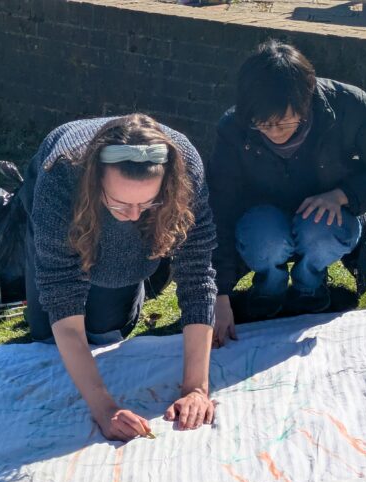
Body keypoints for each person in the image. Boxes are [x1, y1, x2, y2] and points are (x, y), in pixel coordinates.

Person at [22, 114, 219, 442]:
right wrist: (104, 408)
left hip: (124, 238)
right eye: (121, 203)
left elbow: (197, 273)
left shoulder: (185, 167)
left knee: (105, 328)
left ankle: (135, 271)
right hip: (64, 194)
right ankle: (122, 257)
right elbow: (60, 291)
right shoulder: (61, 174)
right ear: (95, 179)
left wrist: (196, 388)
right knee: (45, 336)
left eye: (148, 202)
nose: (134, 214)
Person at [207, 40, 366, 343]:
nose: (273, 133)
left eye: (284, 122)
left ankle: (311, 286)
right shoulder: (234, 127)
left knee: (322, 229)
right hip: (263, 219)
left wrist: (343, 194)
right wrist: (220, 295)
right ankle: (268, 289)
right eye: (262, 124)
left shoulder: (348, 105)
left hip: (328, 216)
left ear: (305, 101)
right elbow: (220, 207)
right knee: (264, 237)